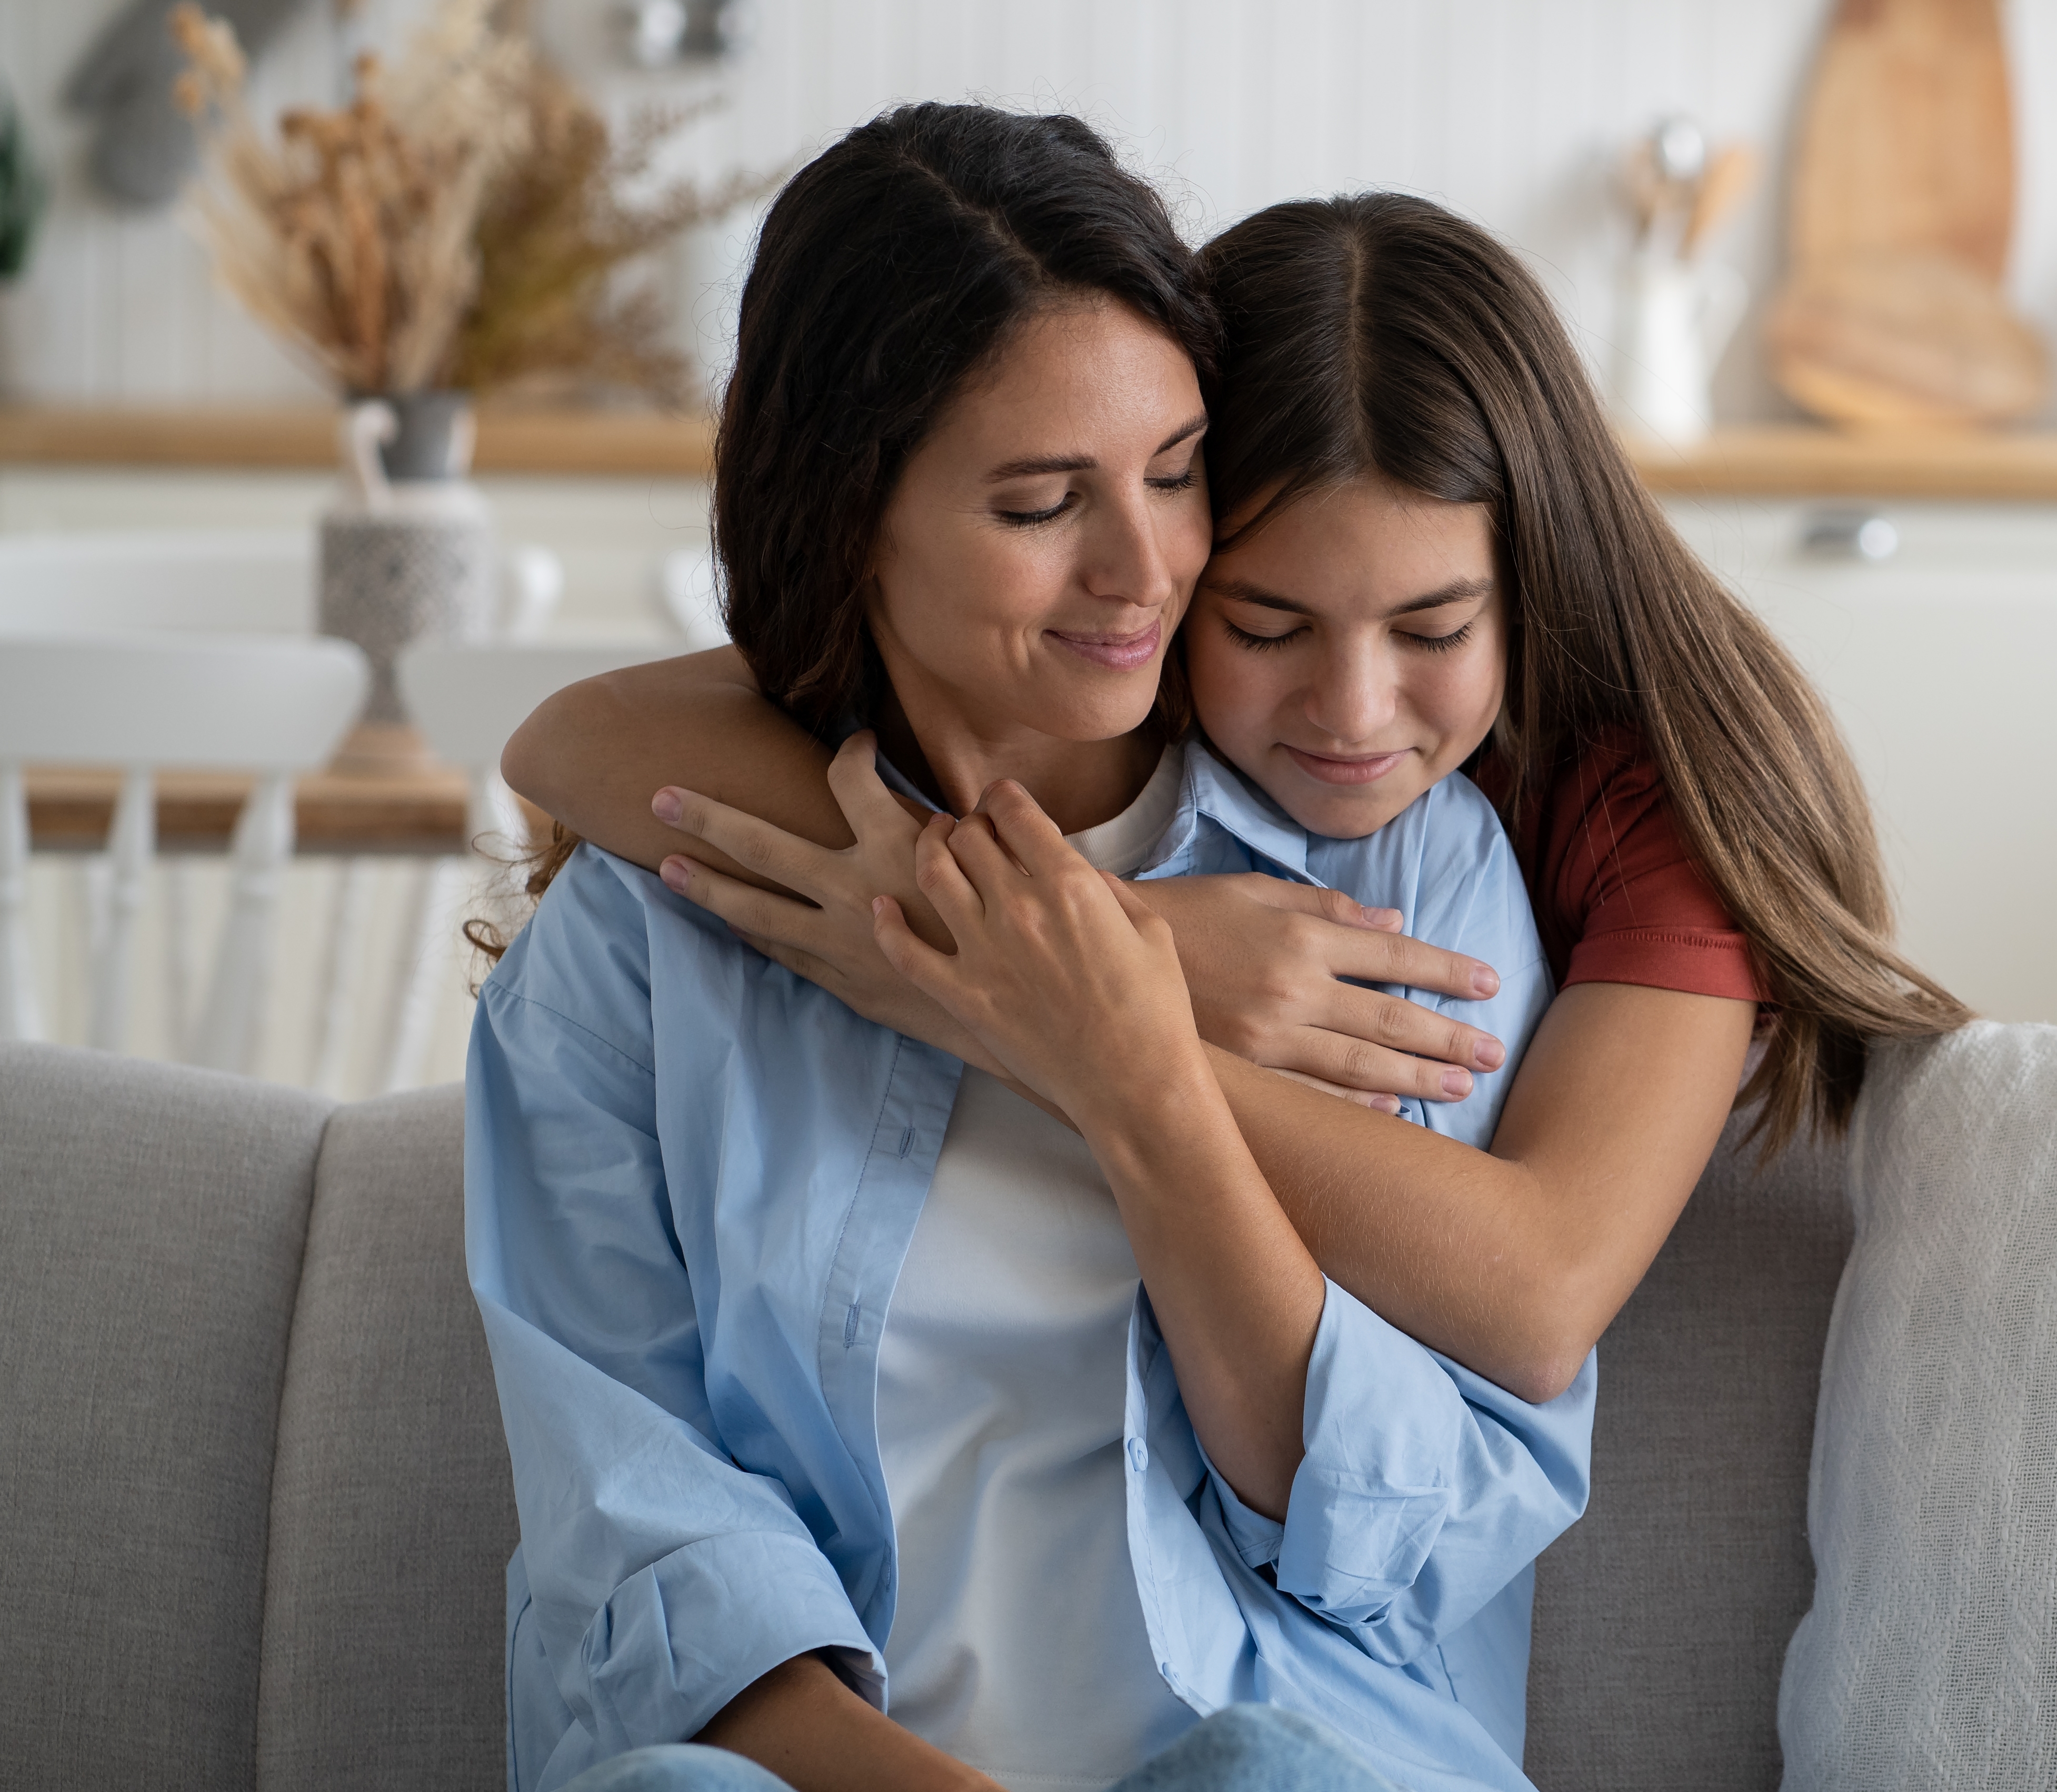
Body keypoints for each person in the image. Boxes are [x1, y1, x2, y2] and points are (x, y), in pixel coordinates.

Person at [470, 105, 1588, 1792]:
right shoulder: (645, 931)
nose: (1145, 571)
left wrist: (1134, 1073)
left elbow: (1410, 1542)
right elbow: (632, 1528)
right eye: (1040, 502)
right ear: (857, 517)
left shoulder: (1404, 882)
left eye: (1175, 468)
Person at [509, 194, 1972, 1415]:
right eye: (1264, 628)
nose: (1348, 710)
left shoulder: (1643, 795)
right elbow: (576, 733)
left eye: (1433, 629)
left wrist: (1023, 997)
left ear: (1532, 583)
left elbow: (1533, 1297)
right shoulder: (1119, 666)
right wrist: (1129, 935)